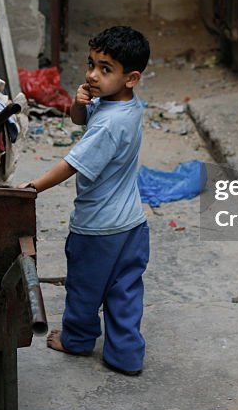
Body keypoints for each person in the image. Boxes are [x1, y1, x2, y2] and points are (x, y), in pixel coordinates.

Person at [22, 26, 150, 376]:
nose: (92, 75)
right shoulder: (124, 106)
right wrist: (80, 106)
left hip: (97, 231)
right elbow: (82, 122)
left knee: (83, 289)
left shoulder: (109, 125)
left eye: (105, 69)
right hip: (132, 226)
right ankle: (126, 356)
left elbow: (71, 165)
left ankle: (76, 340)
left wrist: (30, 188)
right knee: (124, 293)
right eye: (91, 64)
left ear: (131, 77)